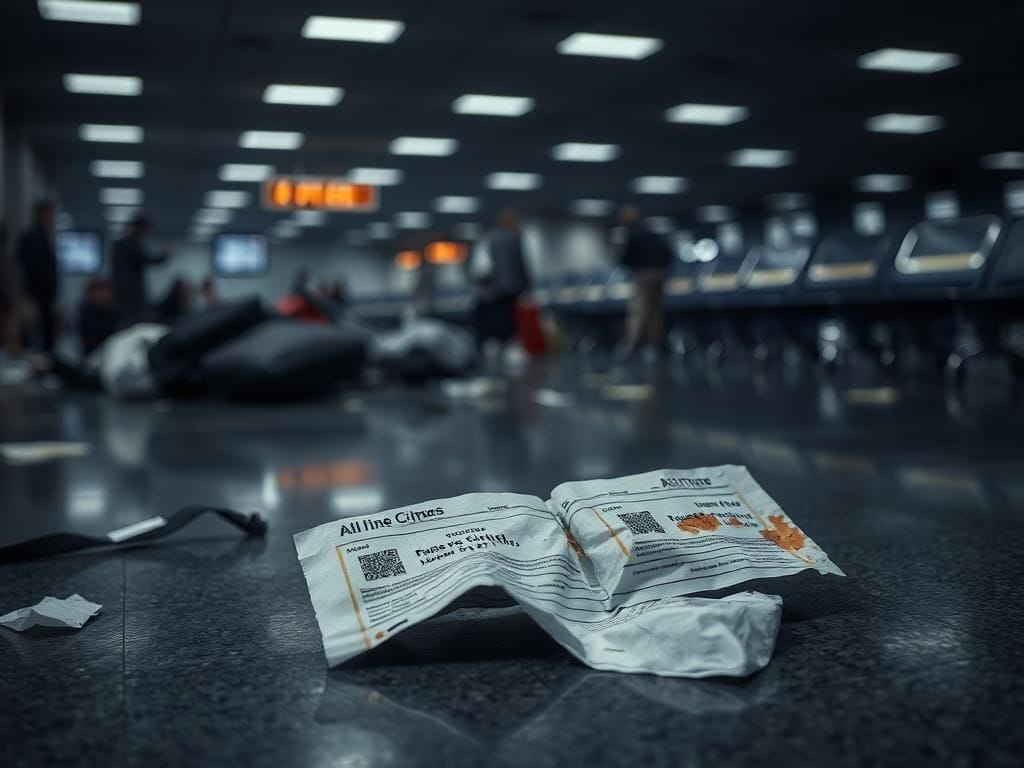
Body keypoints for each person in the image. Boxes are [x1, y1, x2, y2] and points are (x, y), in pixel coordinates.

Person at [617, 204, 673, 360]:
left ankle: (631, 345)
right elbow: (668, 251)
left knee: (638, 311)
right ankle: (652, 346)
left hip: (643, 274)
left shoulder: (632, 233)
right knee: (655, 312)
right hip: (661, 273)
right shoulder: (651, 231)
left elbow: (626, 257)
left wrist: (630, 266)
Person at [472, 208, 529, 349]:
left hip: (496, 285)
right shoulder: (514, 236)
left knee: (501, 316)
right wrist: (528, 283)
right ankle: (511, 344)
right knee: (512, 316)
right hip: (513, 284)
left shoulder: (492, 238)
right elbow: (520, 262)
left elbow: (490, 264)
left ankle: (501, 342)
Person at [111, 214, 171, 324]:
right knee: (133, 321)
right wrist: (166, 254)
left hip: (123, 289)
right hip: (130, 291)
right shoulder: (130, 242)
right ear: (141, 227)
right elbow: (148, 259)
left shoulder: (121, 243)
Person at [16, 201, 58, 352]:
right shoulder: (34, 236)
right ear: (43, 214)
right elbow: (33, 266)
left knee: (41, 329)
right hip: (38, 291)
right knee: (38, 328)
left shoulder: (41, 235)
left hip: (40, 291)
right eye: (51, 214)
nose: (52, 218)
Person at [78, 278, 120, 355]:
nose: (103, 295)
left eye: (105, 291)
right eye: (99, 292)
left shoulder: (114, 310)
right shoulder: (87, 311)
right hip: (94, 353)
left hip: (113, 349)